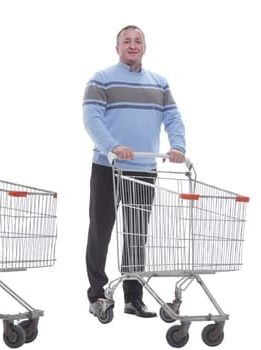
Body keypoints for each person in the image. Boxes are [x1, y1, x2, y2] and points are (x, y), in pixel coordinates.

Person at [83, 25, 186, 318]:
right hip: (108, 168)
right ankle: (97, 296)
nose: (132, 45)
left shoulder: (160, 83)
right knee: (101, 232)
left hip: (144, 169)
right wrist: (113, 146)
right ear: (117, 48)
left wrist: (177, 146)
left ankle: (133, 298)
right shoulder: (101, 79)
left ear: (144, 47)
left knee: (136, 234)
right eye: (126, 41)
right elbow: (91, 118)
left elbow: (173, 118)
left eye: (137, 41)